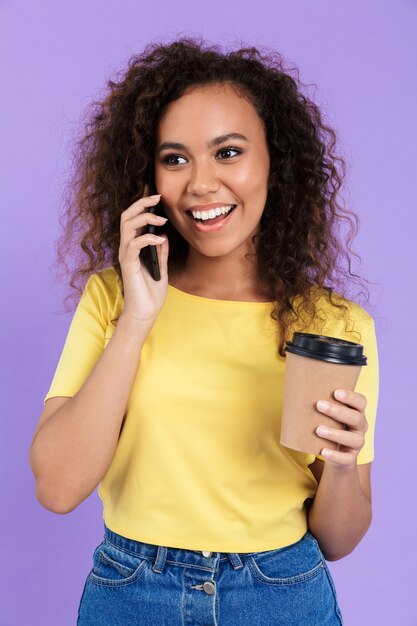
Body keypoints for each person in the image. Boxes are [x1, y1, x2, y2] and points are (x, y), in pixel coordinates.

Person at [29, 38, 379, 625]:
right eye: (175, 158)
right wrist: (139, 318)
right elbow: (58, 489)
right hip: (132, 592)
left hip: (282, 592)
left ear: (276, 160)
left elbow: (340, 540)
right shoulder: (114, 300)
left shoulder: (335, 324)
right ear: (149, 177)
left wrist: (341, 467)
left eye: (229, 152)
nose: (201, 184)